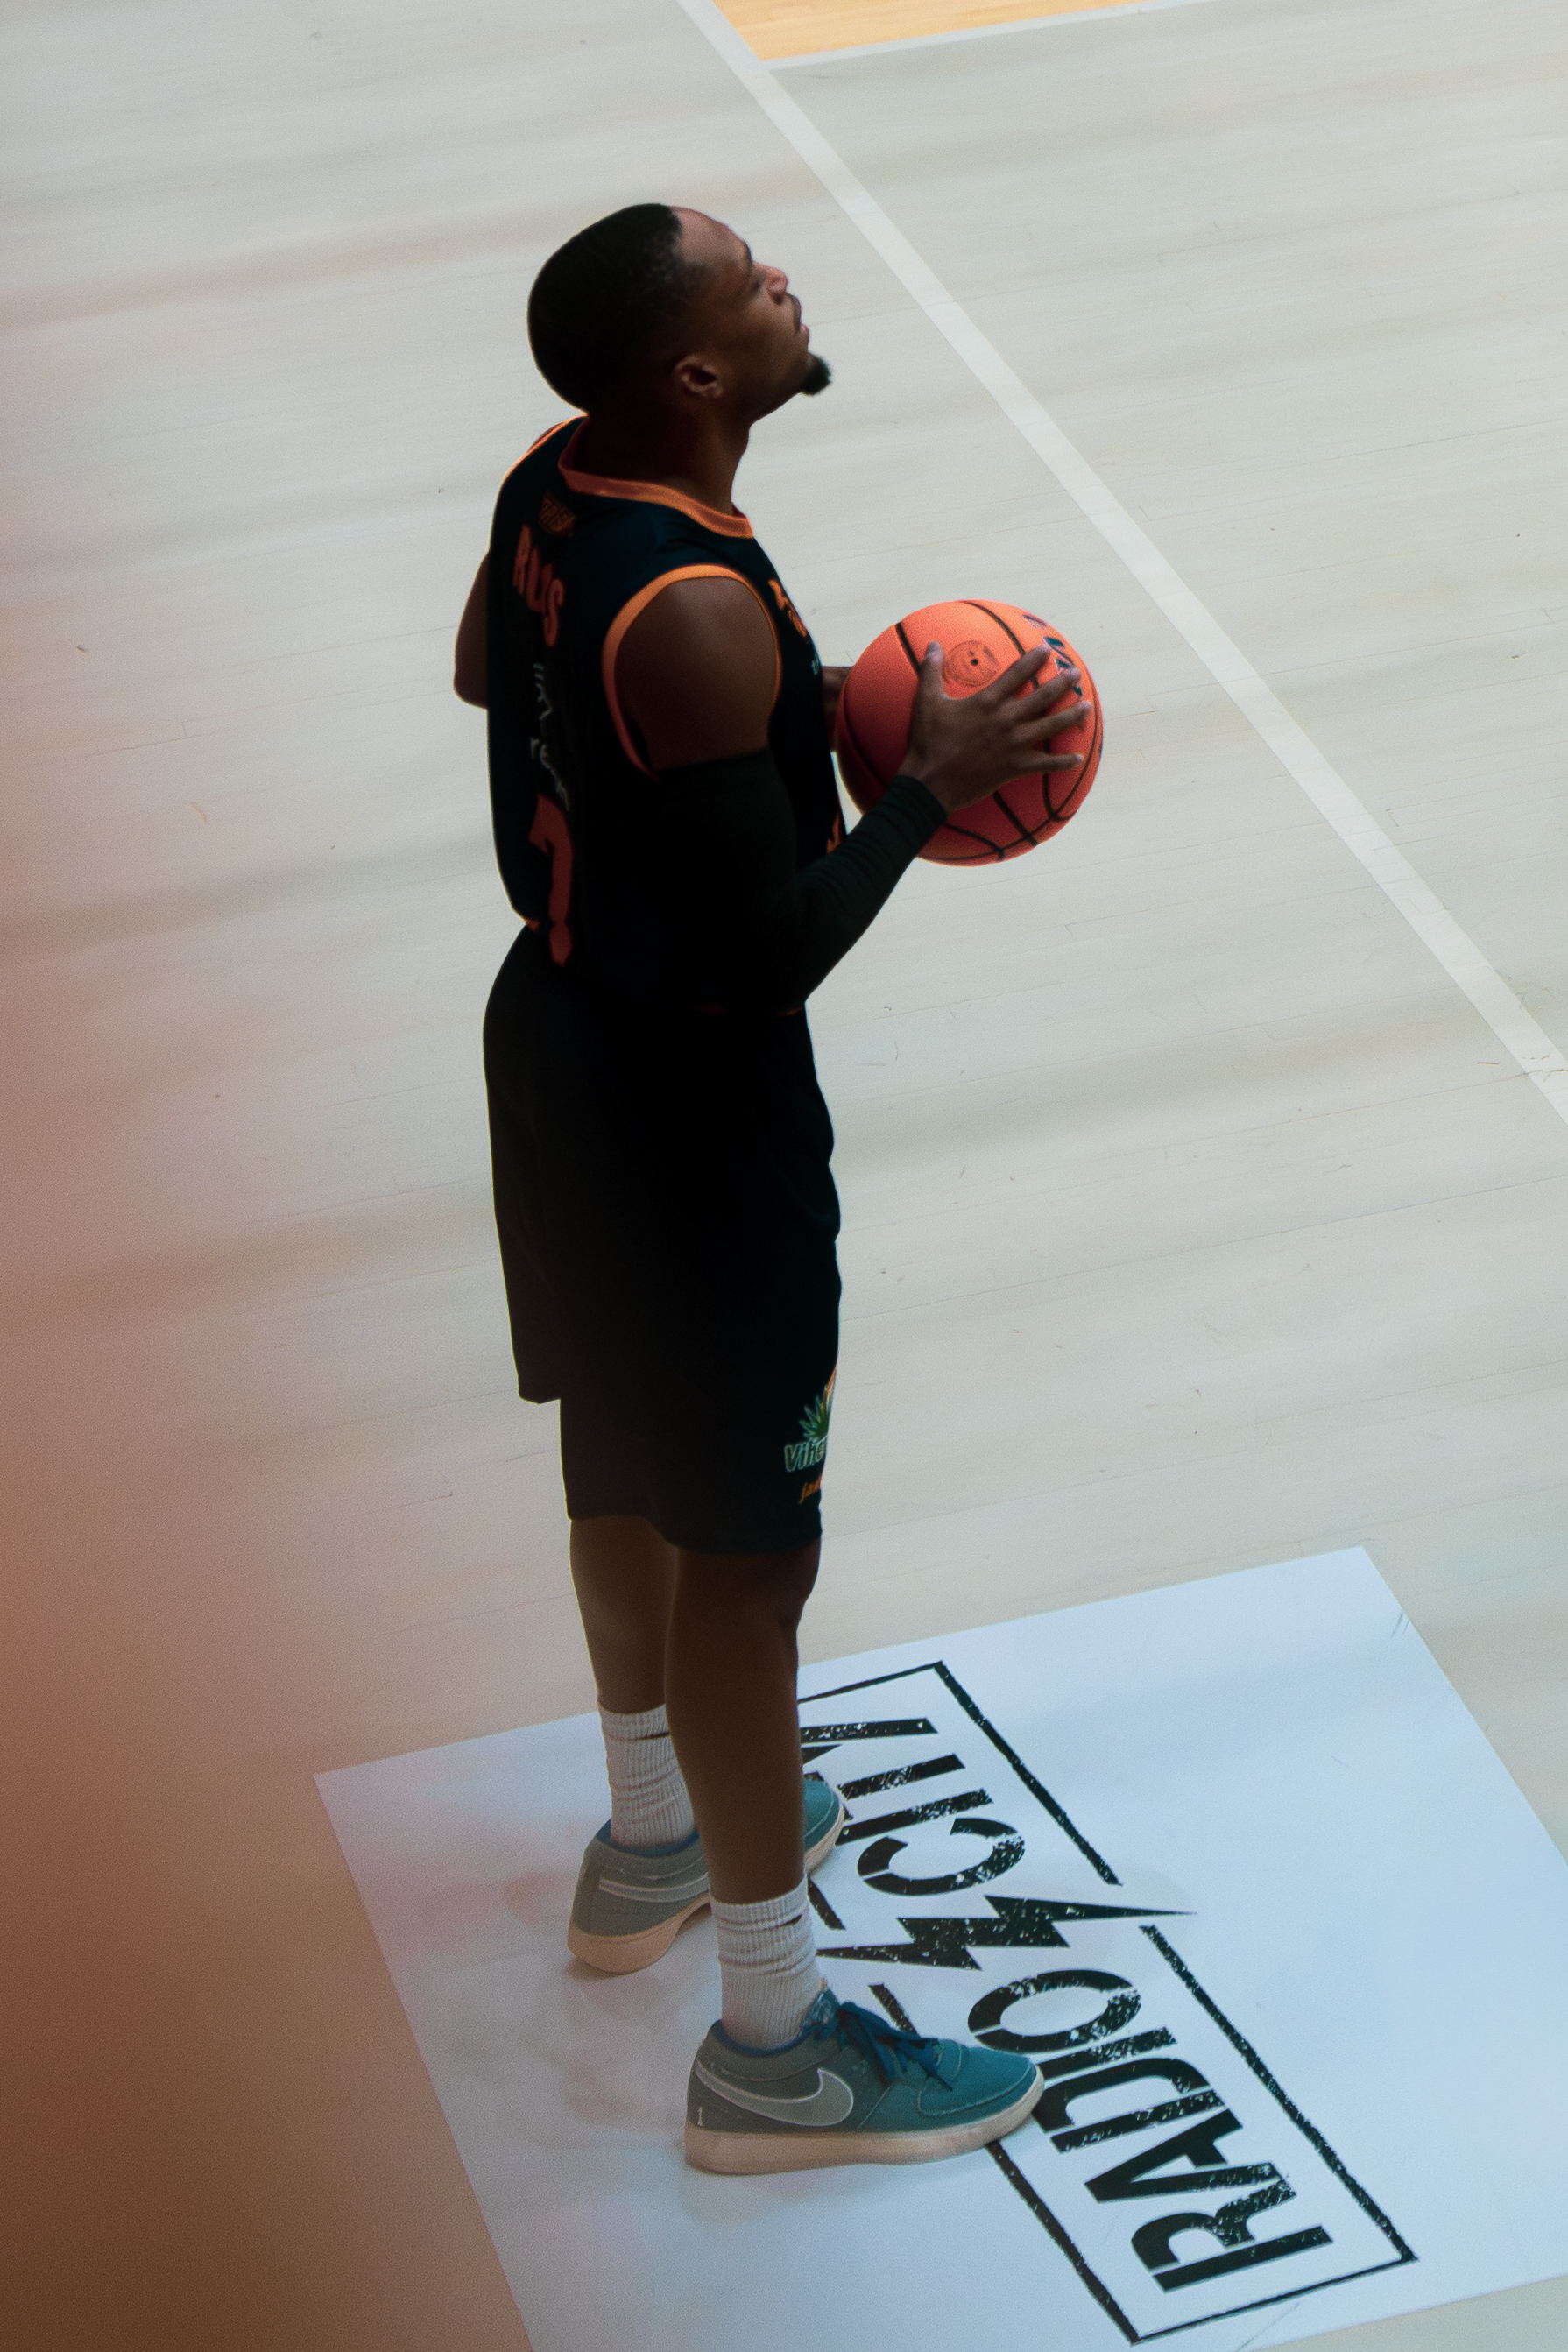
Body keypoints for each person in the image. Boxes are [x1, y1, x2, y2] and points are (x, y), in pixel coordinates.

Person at [454, 202, 1089, 2174]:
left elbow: (496, 668)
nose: (782, 275)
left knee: (621, 1464)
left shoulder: (561, 485)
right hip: (691, 1110)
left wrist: (743, 744)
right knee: (753, 1556)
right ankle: (773, 2039)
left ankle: (649, 1832)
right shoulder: (703, 608)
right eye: (753, 280)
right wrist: (922, 776)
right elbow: (772, 948)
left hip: (551, 1044)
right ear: (700, 376)